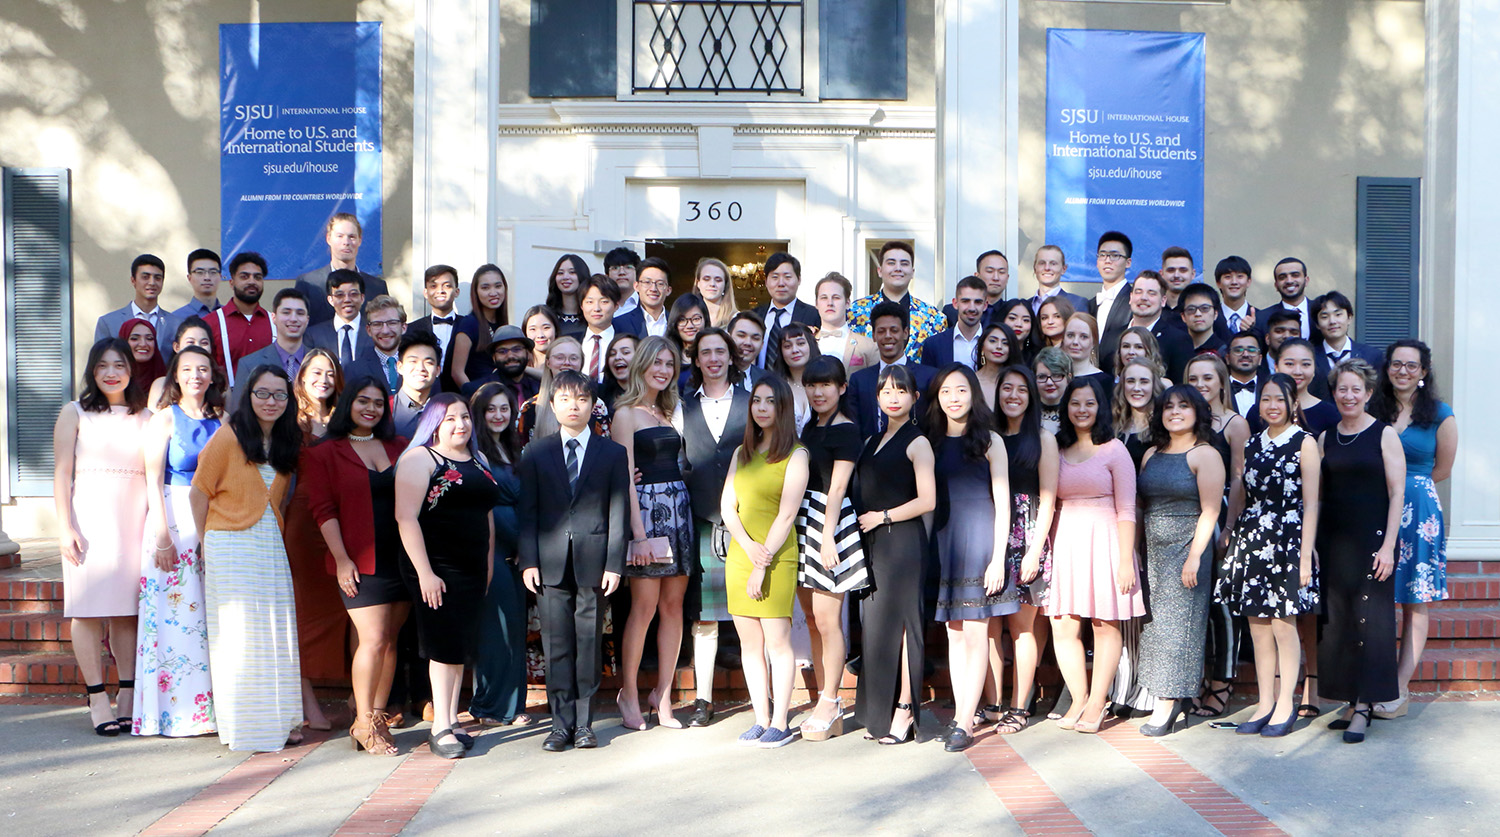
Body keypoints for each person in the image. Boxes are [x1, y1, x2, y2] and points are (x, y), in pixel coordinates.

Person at [189, 364, 303, 751]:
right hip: (231, 543)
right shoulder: (228, 437)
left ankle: (282, 718)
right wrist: (206, 540)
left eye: (279, 395)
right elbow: (198, 492)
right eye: (262, 393)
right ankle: (248, 726)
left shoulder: (288, 439)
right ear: (248, 396)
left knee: (274, 630)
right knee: (240, 635)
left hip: (269, 541)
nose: (271, 401)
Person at [519, 372, 631, 752]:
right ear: (552, 405)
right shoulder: (536, 452)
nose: (573, 405)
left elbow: (619, 512)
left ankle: (584, 724)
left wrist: (615, 563)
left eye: (582, 399)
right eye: (565, 399)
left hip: (595, 563)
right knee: (557, 645)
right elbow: (528, 512)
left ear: (592, 405)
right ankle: (560, 724)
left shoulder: (612, 452)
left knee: (588, 644)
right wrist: (528, 561)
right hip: (549, 564)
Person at [304, 377, 411, 755]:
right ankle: (362, 720)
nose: (371, 408)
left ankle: (378, 718)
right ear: (348, 402)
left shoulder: (400, 446)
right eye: (363, 401)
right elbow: (323, 510)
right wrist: (342, 558)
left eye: (378, 403)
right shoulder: (324, 452)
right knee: (373, 639)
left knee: (391, 641)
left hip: (402, 557)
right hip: (359, 560)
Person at [394, 394, 500, 758]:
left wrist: (486, 565)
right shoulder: (420, 458)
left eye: (465, 417)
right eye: (451, 418)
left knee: (459, 646)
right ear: (434, 423)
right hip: (435, 567)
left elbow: (486, 514)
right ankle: (439, 726)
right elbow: (405, 518)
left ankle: (452, 718)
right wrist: (425, 573)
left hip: (472, 567)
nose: (461, 425)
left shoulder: (479, 458)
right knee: (442, 645)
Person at [54, 338, 150, 736]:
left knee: (127, 612)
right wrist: (65, 526)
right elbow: (61, 473)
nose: (112, 372)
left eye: (120, 364)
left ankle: (127, 694)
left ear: (131, 369)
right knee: (88, 610)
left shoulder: (145, 416)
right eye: (103, 366)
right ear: (93, 371)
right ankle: (96, 695)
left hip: (134, 521)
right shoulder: (74, 412)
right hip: (88, 521)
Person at [1216, 374, 1320, 738]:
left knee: (1283, 624)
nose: (1271, 406)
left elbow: (1311, 504)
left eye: (1279, 399)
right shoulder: (1254, 442)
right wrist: (1230, 529)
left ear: (1293, 404)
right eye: (1266, 399)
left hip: (1289, 540)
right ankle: (1264, 703)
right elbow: (1241, 491)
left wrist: (1306, 556)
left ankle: (1287, 705)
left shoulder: (1304, 443)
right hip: (1253, 537)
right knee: (1258, 626)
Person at [134, 346, 223, 737]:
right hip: (173, 518)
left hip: (216, 520)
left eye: (203, 368)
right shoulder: (165, 419)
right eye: (188, 369)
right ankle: (174, 713)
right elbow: (152, 480)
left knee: (208, 616)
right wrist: (162, 536)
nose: (196, 376)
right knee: (175, 619)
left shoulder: (223, 419)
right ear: (175, 375)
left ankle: (214, 710)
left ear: (212, 375)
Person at [1046, 377, 1144, 733]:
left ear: (1100, 407)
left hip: (1106, 541)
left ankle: (1098, 702)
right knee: (1063, 625)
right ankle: (1079, 697)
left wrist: (1123, 559)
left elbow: (1127, 509)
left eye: (1089, 403)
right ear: (1065, 408)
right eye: (1075, 403)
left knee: (1105, 625)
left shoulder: (1114, 449)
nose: (1082, 410)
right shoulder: (1055, 448)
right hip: (1067, 542)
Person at [610, 336, 697, 730]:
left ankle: (662, 694)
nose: (663, 370)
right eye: (656, 362)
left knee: (673, 607)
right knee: (643, 608)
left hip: (679, 513)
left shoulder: (667, 412)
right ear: (641, 364)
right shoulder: (626, 413)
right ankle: (628, 692)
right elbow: (624, 478)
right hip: (646, 518)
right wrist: (639, 534)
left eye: (669, 364)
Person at [1317, 359, 1405, 743]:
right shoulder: (1324, 438)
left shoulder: (1384, 434)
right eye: (1342, 389)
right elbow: (1319, 497)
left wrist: (1388, 546)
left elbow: (1396, 492)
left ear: (1368, 394)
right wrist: (1314, 545)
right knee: (1339, 622)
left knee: (1371, 621)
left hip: (1373, 540)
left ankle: (1366, 706)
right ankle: (1350, 699)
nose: (1348, 395)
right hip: (1335, 541)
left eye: (1356, 389)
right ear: (1333, 393)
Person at [721, 374, 810, 748]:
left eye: (770, 401)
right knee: (749, 644)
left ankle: (780, 722)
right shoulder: (741, 453)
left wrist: (763, 561)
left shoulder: (797, 454)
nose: (761, 408)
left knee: (777, 643)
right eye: (756, 400)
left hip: (776, 558)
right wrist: (745, 545)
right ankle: (759, 718)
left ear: (783, 407)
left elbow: (787, 515)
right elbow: (727, 505)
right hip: (741, 555)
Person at [926, 364, 1012, 752]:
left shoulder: (990, 439)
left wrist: (998, 558)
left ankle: (963, 721)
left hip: (980, 542)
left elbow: (1003, 502)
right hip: (945, 542)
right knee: (954, 632)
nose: (953, 398)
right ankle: (965, 710)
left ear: (973, 394)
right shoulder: (930, 441)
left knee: (977, 631)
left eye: (961, 390)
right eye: (946, 391)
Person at [1370, 341, 1457, 719]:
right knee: (1375, 597)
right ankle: (1373, 679)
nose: (1403, 371)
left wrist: (1409, 489)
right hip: (1376, 507)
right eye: (1396, 364)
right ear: (1387, 368)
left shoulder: (1440, 414)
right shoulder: (1374, 408)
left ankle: (1399, 687)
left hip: (1419, 510)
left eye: (1412, 365)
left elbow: (1443, 469)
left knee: (1414, 599)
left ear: (1424, 372)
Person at [854, 366, 937, 744]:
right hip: (873, 543)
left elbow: (927, 500)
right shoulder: (871, 441)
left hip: (903, 542)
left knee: (905, 626)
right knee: (876, 626)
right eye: (886, 391)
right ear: (876, 397)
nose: (893, 397)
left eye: (901, 391)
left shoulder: (917, 441)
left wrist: (883, 516)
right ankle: (879, 712)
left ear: (914, 398)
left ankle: (905, 709)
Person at [1135, 386, 1225, 736]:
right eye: (1168, 406)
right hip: (1154, 553)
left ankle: (1168, 703)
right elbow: (1142, 505)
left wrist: (1194, 557)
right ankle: (1166, 693)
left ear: (1197, 412)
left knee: (1178, 627)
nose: (1174, 411)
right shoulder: (1151, 454)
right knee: (1157, 626)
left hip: (1188, 548)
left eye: (1183, 406)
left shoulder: (1205, 455)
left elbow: (1211, 510)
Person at [794, 356, 869, 741]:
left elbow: (838, 487)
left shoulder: (846, 430)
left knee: (828, 619)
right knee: (811, 619)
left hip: (830, 522)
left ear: (841, 388)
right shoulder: (810, 426)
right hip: (805, 519)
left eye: (826, 385)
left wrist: (826, 537)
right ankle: (826, 699)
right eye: (812, 385)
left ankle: (831, 699)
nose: (818, 391)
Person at [679, 328, 746, 728]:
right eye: (706, 352)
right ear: (697, 360)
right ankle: (703, 699)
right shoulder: (682, 407)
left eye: (720, 351)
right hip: (702, 519)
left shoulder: (752, 401)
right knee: (703, 617)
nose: (714, 358)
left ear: (731, 356)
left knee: (754, 613)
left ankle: (763, 694)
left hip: (747, 522)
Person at [989, 366, 1058, 733]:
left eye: (1021, 390)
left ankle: (1020, 707)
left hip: (1028, 534)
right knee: (989, 626)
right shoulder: (988, 435)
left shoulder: (1043, 438)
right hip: (994, 534)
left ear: (1031, 397)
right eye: (1007, 388)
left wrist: (1034, 551)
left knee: (1022, 628)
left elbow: (1048, 498)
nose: (1013, 395)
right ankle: (993, 702)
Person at [1182, 353, 1251, 718]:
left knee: (1221, 604)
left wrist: (1229, 527)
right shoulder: (1185, 421)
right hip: (1187, 513)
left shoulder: (1234, 424)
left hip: (1223, 514)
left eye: (1208, 378)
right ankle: (1193, 680)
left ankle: (1223, 682)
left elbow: (1240, 478)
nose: (1201, 384)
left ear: (1222, 381)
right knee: (1194, 604)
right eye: (1193, 378)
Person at [287, 349, 348, 733]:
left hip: (340, 521)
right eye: (315, 372)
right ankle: (308, 703)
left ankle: (357, 698)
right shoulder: (291, 420)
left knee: (341, 609)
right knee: (302, 614)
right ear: (302, 377)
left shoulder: (343, 419)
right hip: (301, 524)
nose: (323, 379)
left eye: (329, 372)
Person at [466, 383, 533, 728]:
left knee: (514, 627)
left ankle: (513, 703)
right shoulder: (473, 452)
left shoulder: (514, 449)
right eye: (491, 409)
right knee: (495, 629)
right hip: (489, 549)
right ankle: (489, 706)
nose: (498, 415)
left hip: (519, 552)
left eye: (504, 408)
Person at [843, 301, 937, 438]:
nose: (888, 336)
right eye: (881, 331)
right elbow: (854, 428)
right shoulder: (860, 380)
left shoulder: (928, 377)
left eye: (894, 330)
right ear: (874, 335)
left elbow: (934, 426)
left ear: (905, 333)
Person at [849, 241, 946, 363]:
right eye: (891, 263)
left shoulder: (934, 317)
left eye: (904, 264)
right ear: (879, 270)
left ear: (912, 272)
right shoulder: (856, 312)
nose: (898, 268)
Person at [292, 213, 389, 325]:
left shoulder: (377, 287)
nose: (346, 242)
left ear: (359, 240)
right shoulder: (307, 284)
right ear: (328, 239)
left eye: (352, 237)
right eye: (340, 236)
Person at [518, 336, 612, 442]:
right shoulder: (530, 407)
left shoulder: (597, 406)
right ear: (548, 363)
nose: (567, 362)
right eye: (559, 358)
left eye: (573, 358)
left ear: (581, 363)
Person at [230, 288, 311, 407]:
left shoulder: (318, 361)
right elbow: (239, 413)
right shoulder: (249, 365)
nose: (293, 319)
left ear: (307, 320)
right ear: (274, 317)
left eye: (300, 313)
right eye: (286, 312)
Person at [206, 252, 274, 385]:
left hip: (267, 401)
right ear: (232, 283)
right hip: (225, 402)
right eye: (244, 276)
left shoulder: (275, 323)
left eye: (257, 277)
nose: (252, 281)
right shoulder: (211, 323)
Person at [95, 254, 181, 357]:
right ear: (133, 280)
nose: (152, 282)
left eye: (157, 278)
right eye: (145, 277)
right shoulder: (108, 323)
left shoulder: (176, 324)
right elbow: (99, 362)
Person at [1250, 338, 1339, 436]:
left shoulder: (1330, 414)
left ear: (1314, 369)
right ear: (1276, 367)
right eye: (1289, 364)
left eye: (1305, 364)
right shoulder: (1259, 411)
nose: (1297, 371)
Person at [1122, 271, 1193, 381]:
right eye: (1138, 292)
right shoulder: (1114, 335)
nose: (1143, 298)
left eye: (1151, 293)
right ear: (1131, 297)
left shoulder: (1178, 340)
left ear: (1163, 300)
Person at [752, 252, 819, 366]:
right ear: (766, 282)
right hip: (759, 382)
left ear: (799, 280)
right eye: (775, 277)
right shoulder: (755, 315)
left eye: (787, 277)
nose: (781, 283)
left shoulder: (813, 314)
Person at [450, 264, 511, 391]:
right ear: (476, 292)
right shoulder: (469, 324)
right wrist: (476, 397)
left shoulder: (502, 324)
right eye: (485, 288)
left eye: (498, 286)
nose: (493, 293)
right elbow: (457, 372)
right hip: (480, 401)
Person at [407, 264, 462, 393]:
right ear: (425, 292)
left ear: (456, 291)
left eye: (447, 286)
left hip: (461, 398)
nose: (440, 290)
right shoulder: (412, 329)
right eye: (434, 286)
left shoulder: (469, 326)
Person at [1087, 231, 1135, 371]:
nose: (1107, 260)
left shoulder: (1134, 302)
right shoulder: (1089, 305)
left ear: (1128, 262)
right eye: (1103, 255)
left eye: (1115, 255)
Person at [1311, 291, 1383, 384]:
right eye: (1325, 317)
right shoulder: (1311, 357)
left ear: (1349, 318)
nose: (1332, 321)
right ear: (1317, 324)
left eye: (1338, 315)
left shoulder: (1372, 356)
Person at [814, 272, 878, 374]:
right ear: (816, 303)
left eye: (836, 297)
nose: (830, 303)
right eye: (824, 298)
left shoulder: (869, 346)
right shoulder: (806, 343)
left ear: (847, 303)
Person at [303, 269, 370, 366]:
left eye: (353, 294)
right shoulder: (313, 335)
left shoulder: (374, 332)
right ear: (330, 299)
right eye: (339, 295)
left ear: (362, 298)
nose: (347, 300)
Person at [147, 318, 216, 410]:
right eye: (190, 342)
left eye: (204, 343)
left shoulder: (221, 386)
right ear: (177, 347)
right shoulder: (161, 385)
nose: (197, 347)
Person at [921, 276, 988, 369]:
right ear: (955, 303)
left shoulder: (994, 343)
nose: (972, 308)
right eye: (965, 301)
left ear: (985, 305)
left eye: (978, 302)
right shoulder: (933, 344)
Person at [463, 325, 539, 404]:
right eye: (502, 351)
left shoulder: (541, 388)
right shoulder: (476, 391)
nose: (510, 356)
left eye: (517, 349)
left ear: (528, 353)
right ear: (494, 357)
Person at [1114, 357, 1165, 468]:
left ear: (1154, 386)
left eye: (1144, 382)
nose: (1136, 388)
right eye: (1131, 381)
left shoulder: (1162, 428)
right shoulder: (1114, 424)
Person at [941, 249, 1009, 326]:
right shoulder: (952, 311)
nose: (996, 278)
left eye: (1001, 272)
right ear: (977, 276)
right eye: (990, 271)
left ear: (1007, 277)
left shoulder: (1012, 313)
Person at [772, 322, 819, 431]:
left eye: (801, 343)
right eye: (787, 346)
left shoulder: (825, 384)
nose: (795, 350)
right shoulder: (775, 387)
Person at [579, 273, 622, 384]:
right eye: (590, 302)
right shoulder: (572, 341)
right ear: (582, 306)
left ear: (616, 306)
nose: (596, 308)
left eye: (604, 302)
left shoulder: (626, 342)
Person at [614, 256, 672, 338]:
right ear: (636, 286)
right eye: (647, 282)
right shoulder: (620, 323)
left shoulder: (677, 323)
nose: (653, 289)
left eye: (660, 283)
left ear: (668, 290)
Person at [1063, 313, 1112, 404]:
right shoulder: (1053, 378)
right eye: (1070, 335)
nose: (1075, 342)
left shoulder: (1105, 382)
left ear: (1093, 342)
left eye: (1084, 337)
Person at [292, 349, 342, 438]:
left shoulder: (343, 420)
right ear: (303, 375)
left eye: (330, 375)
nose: (323, 380)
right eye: (317, 373)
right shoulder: (291, 418)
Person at [1264, 257, 1316, 342]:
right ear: (1276, 285)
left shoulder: (1321, 312)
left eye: (1295, 275)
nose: (1289, 281)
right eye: (1282, 277)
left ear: (1306, 281)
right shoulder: (1262, 318)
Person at [1028, 244, 1088, 314]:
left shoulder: (1076, 304)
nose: (1047, 268)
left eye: (1053, 263)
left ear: (1063, 269)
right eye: (1042, 263)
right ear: (1035, 268)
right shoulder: (1026, 306)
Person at [975, 322, 1022, 408]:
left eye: (1005, 343)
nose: (999, 346)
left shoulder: (1020, 382)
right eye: (993, 341)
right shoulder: (970, 381)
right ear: (982, 346)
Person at [119, 318, 167, 396]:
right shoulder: (113, 380)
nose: (143, 344)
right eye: (134, 338)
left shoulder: (166, 382)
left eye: (149, 338)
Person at [1225, 331, 1269, 417]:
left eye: (1251, 350)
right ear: (1227, 358)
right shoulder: (1219, 389)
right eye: (1238, 350)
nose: (1245, 354)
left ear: (1260, 359)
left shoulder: (1270, 387)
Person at [1213, 256, 1259, 336]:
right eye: (1228, 277)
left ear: (1248, 281)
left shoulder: (1261, 318)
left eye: (1240, 276)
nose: (1234, 282)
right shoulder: (1210, 317)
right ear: (1218, 283)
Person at [546, 254, 590, 336]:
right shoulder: (548, 316)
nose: (565, 277)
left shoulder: (593, 315)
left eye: (572, 272)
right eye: (560, 273)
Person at [172, 248, 223, 320]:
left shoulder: (230, 316)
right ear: (189, 278)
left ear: (220, 277)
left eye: (213, 272)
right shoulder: (176, 318)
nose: (207, 278)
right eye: (200, 272)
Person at [1033, 347, 1073, 434]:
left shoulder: (1076, 413)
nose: (1049, 382)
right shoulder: (1026, 413)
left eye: (1056, 375)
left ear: (1068, 378)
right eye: (1042, 377)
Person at [600, 332, 638, 417]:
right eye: (612, 354)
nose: (618, 357)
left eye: (625, 352)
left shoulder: (651, 393)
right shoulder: (601, 395)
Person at [728, 310, 769, 388]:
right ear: (728, 338)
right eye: (741, 335)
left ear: (762, 345)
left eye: (755, 338)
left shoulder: (768, 380)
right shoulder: (714, 374)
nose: (748, 343)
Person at [695, 257, 738, 328]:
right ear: (698, 283)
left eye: (718, 280)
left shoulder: (736, 319)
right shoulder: (689, 318)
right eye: (706, 279)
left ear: (725, 285)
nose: (712, 284)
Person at [666, 293, 711, 360]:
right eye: (682, 320)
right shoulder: (666, 355)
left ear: (705, 320)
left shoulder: (714, 355)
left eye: (696, 319)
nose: (689, 326)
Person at [522, 304, 561, 375]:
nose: (540, 335)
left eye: (546, 328)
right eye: (533, 329)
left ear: (556, 330)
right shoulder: (520, 361)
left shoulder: (565, 361)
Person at [604, 247, 642, 316]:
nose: (622, 272)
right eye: (615, 268)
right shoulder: (600, 306)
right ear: (607, 275)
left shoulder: (646, 304)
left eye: (628, 267)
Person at [1158, 246, 1197, 313]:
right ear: (1161, 274)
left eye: (1183, 270)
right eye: (1171, 270)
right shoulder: (1152, 309)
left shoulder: (1200, 311)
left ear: (1193, 274)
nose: (1176, 275)